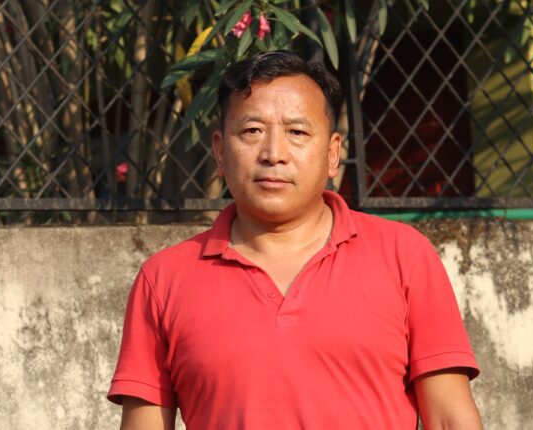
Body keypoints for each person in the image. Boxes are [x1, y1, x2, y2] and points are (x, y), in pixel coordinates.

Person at [108, 50, 482, 429]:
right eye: (252, 131)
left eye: (297, 132)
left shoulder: (403, 256)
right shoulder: (164, 280)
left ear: (333, 153)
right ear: (220, 151)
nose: (274, 154)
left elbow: (450, 419)